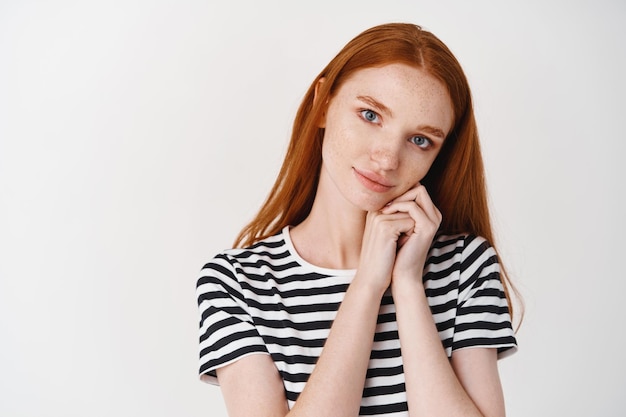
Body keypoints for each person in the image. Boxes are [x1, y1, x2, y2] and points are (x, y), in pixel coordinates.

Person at [196, 22, 520, 417]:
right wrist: (366, 286)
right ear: (322, 104)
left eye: (420, 140)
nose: (387, 158)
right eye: (370, 114)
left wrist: (407, 285)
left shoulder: (466, 266)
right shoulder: (237, 283)